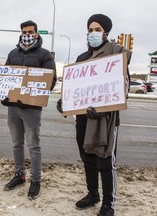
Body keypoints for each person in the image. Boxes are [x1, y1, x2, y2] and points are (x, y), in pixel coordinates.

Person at [57, 14, 131, 216]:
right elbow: (75, 88)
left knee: (105, 162)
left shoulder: (116, 55)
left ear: (106, 32)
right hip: (82, 118)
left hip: (105, 120)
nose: (93, 33)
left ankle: (109, 204)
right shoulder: (81, 59)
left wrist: (103, 109)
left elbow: (123, 89)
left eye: (97, 29)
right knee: (87, 158)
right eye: (90, 30)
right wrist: (64, 102)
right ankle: (93, 194)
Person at [1, 20, 57, 200]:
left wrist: (33, 95)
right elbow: (5, 78)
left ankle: (36, 180)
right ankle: (19, 175)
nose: (27, 35)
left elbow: (51, 81)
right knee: (16, 143)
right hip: (13, 108)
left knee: (33, 145)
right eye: (24, 32)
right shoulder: (12, 53)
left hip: (32, 109)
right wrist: (3, 93)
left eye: (31, 32)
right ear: (20, 33)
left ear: (37, 33)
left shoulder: (44, 55)